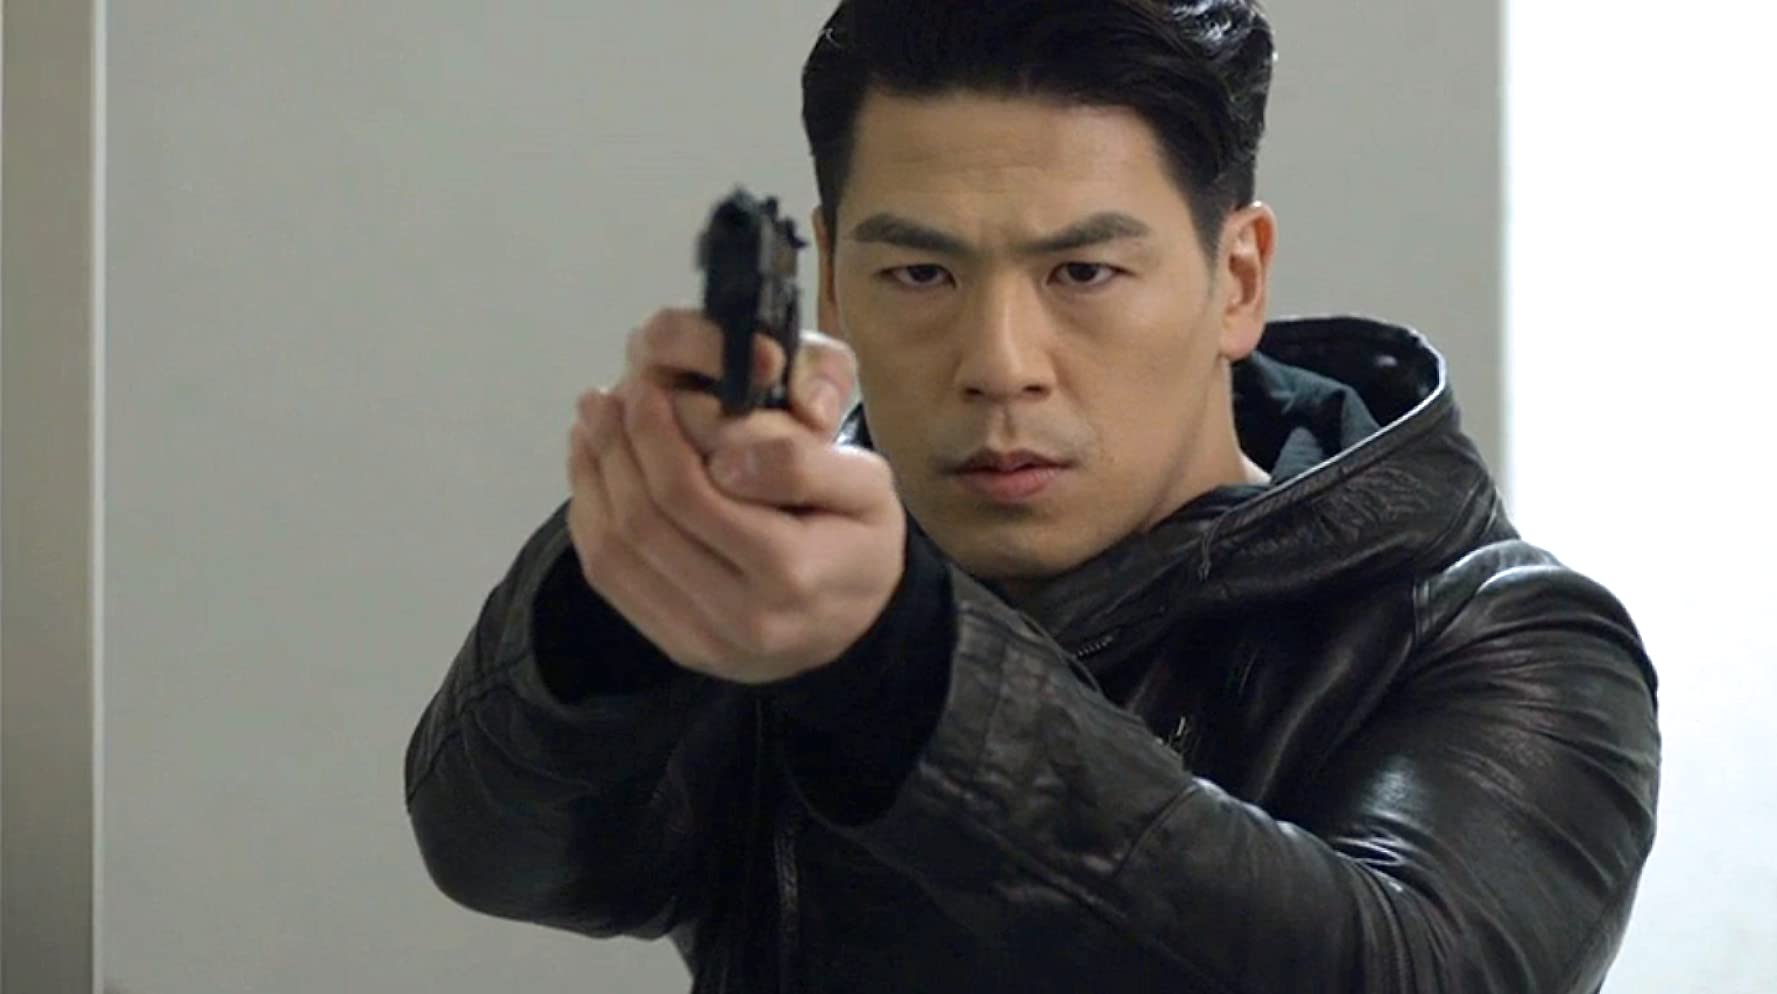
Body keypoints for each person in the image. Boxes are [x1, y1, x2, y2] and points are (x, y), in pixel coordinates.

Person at [403, 2, 1661, 991]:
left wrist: (898, 668)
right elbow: (503, 852)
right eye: (919, 274)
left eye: (1082, 272)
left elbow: (1405, 969)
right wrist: (622, 595)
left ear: (1235, 279)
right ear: (830, 284)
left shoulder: (1503, 638)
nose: (999, 362)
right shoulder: (791, 575)